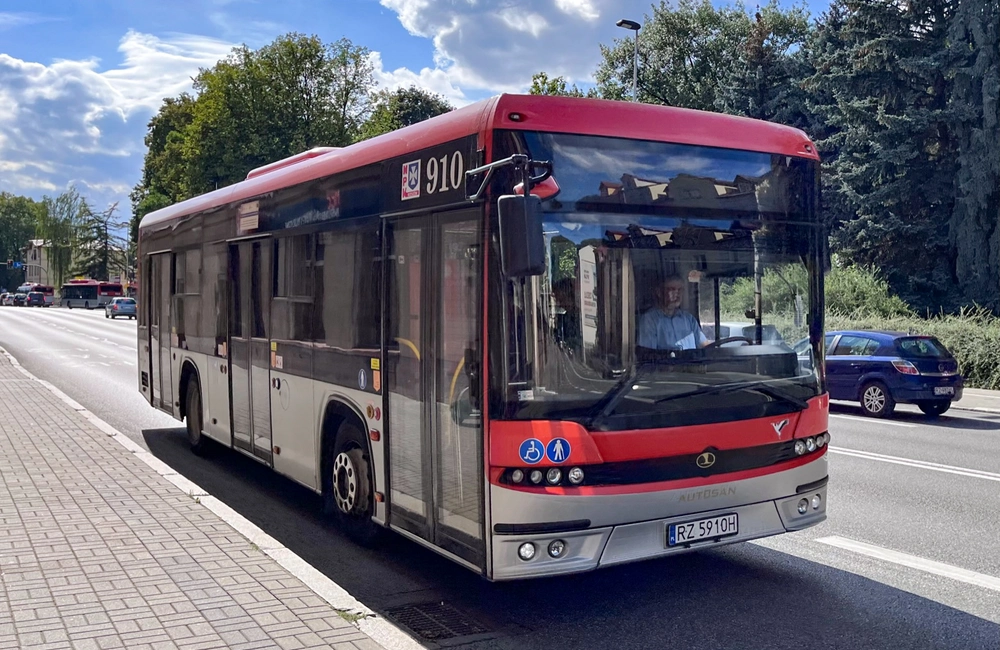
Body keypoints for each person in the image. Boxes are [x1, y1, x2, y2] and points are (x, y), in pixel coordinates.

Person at [637, 275, 710, 350]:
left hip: (692, 361)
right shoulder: (650, 320)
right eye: (672, 289)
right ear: (659, 292)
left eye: (680, 289)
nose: (677, 293)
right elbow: (648, 354)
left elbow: (705, 346)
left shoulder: (689, 319)